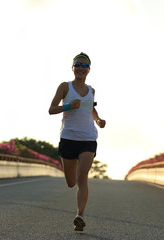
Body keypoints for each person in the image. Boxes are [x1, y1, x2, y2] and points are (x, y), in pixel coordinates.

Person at [48, 52, 106, 231]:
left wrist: (98, 120)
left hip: (88, 138)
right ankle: (79, 213)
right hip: (68, 138)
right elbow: (51, 109)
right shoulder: (65, 87)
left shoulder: (91, 90)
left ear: (89, 70)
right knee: (71, 182)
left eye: (84, 65)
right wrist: (68, 106)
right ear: (72, 68)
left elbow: (91, 110)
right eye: (78, 65)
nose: (81, 68)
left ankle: (80, 215)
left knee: (82, 177)